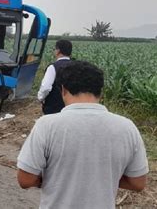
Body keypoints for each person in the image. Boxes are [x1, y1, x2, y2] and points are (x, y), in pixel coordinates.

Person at [17, 61, 148, 209]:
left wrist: (51, 178)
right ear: (100, 92)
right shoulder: (127, 127)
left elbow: (25, 179)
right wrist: (102, 178)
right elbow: (138, 183)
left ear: (63, 90)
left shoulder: (47, 125)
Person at [37, 39, 72, 114]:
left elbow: (46, 87)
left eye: (55, 49)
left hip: (54, 108)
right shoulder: (78, 67)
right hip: (72, 107)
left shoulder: (53, 67)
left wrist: (40, 97)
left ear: (58, 51)